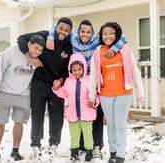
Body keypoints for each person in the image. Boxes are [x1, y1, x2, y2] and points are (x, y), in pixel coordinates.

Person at [46, 19, 126, 158]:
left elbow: (122, 37)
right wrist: (50, 37)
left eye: (89, 32)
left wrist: (114, 49)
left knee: (95, 116)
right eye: (82, 31)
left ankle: (96, 146)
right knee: (80, 116)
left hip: (93, 80)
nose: (85, 34)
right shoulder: (73, 38)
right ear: (78, 32)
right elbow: (55, 26)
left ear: (93, 33)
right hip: (77, 78)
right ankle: (83, 146)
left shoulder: (96, 41)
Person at [17, 17, 73, 161]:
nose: (63, 32)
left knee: (57, 117)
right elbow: (21, 39)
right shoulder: (44, 35)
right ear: (56, 27)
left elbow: (69, 69)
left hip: (56, 85)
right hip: (40, 82)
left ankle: (53, 145)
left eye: (67, 30)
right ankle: (35, 145)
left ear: (70, 32)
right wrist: (31, 58)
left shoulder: (70, 46)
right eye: (61, 28)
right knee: (37, 115)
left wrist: (61, 80)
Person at [88, 22, 145, 163]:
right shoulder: (98, 52)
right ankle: (112, 151)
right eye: (105, 33)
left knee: (120, 124)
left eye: (111, 33)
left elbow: (135, 71)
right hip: (105, 94)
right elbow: (93, 75)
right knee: (111, 124)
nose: (108, 36)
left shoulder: (125, 50)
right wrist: (91, 95)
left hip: (123, 93)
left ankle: (120, 154)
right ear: (101, 35)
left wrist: (140, 92)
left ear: (116, 34)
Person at [0, 35, 45, 163]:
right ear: (29, 44)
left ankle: (15, 151)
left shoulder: (38, 59)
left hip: (23, 95)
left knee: (19, 122)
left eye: (40, 50)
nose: (37, 52)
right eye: (35, 48)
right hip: (4, 92)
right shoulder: (11, 52)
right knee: (0, 123)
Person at [52, 52, 100, 162]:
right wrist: (56, 89)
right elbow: (64, 93)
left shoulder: (89, 80)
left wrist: (94, 101)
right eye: (74, 70)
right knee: (74, 135)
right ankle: (74, 152)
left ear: (84, 68)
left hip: (87, 113)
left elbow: (96, 95)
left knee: (88, 134)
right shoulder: (69, 81)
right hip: (73, 114)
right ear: (70, 70)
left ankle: (89, 152)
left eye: (79, 69)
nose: (77, 72)